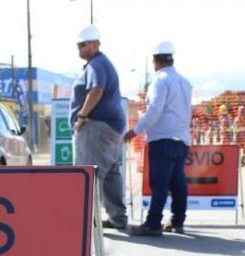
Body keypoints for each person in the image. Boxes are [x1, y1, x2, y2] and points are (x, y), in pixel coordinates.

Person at [124, 41, 193, 236]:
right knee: (178, 183)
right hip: (181, 139)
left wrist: (135, 130)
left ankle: (153, 223)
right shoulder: (184, 82)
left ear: (155, 61)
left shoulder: (160, 81)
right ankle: (178, 222)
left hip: (162, 139)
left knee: (160, 183)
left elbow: (154, 109)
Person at [71, 25, 128, 229]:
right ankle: (117, 217)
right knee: (111, 173)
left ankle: (88, 220)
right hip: (110, 126)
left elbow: (96, 90)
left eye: (82, 44)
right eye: (78, 45)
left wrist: (82, 115)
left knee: (90, 175)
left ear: (94, 45)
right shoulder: (102, 64)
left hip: (96, 126)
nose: (79, 48)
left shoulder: (96, 65)